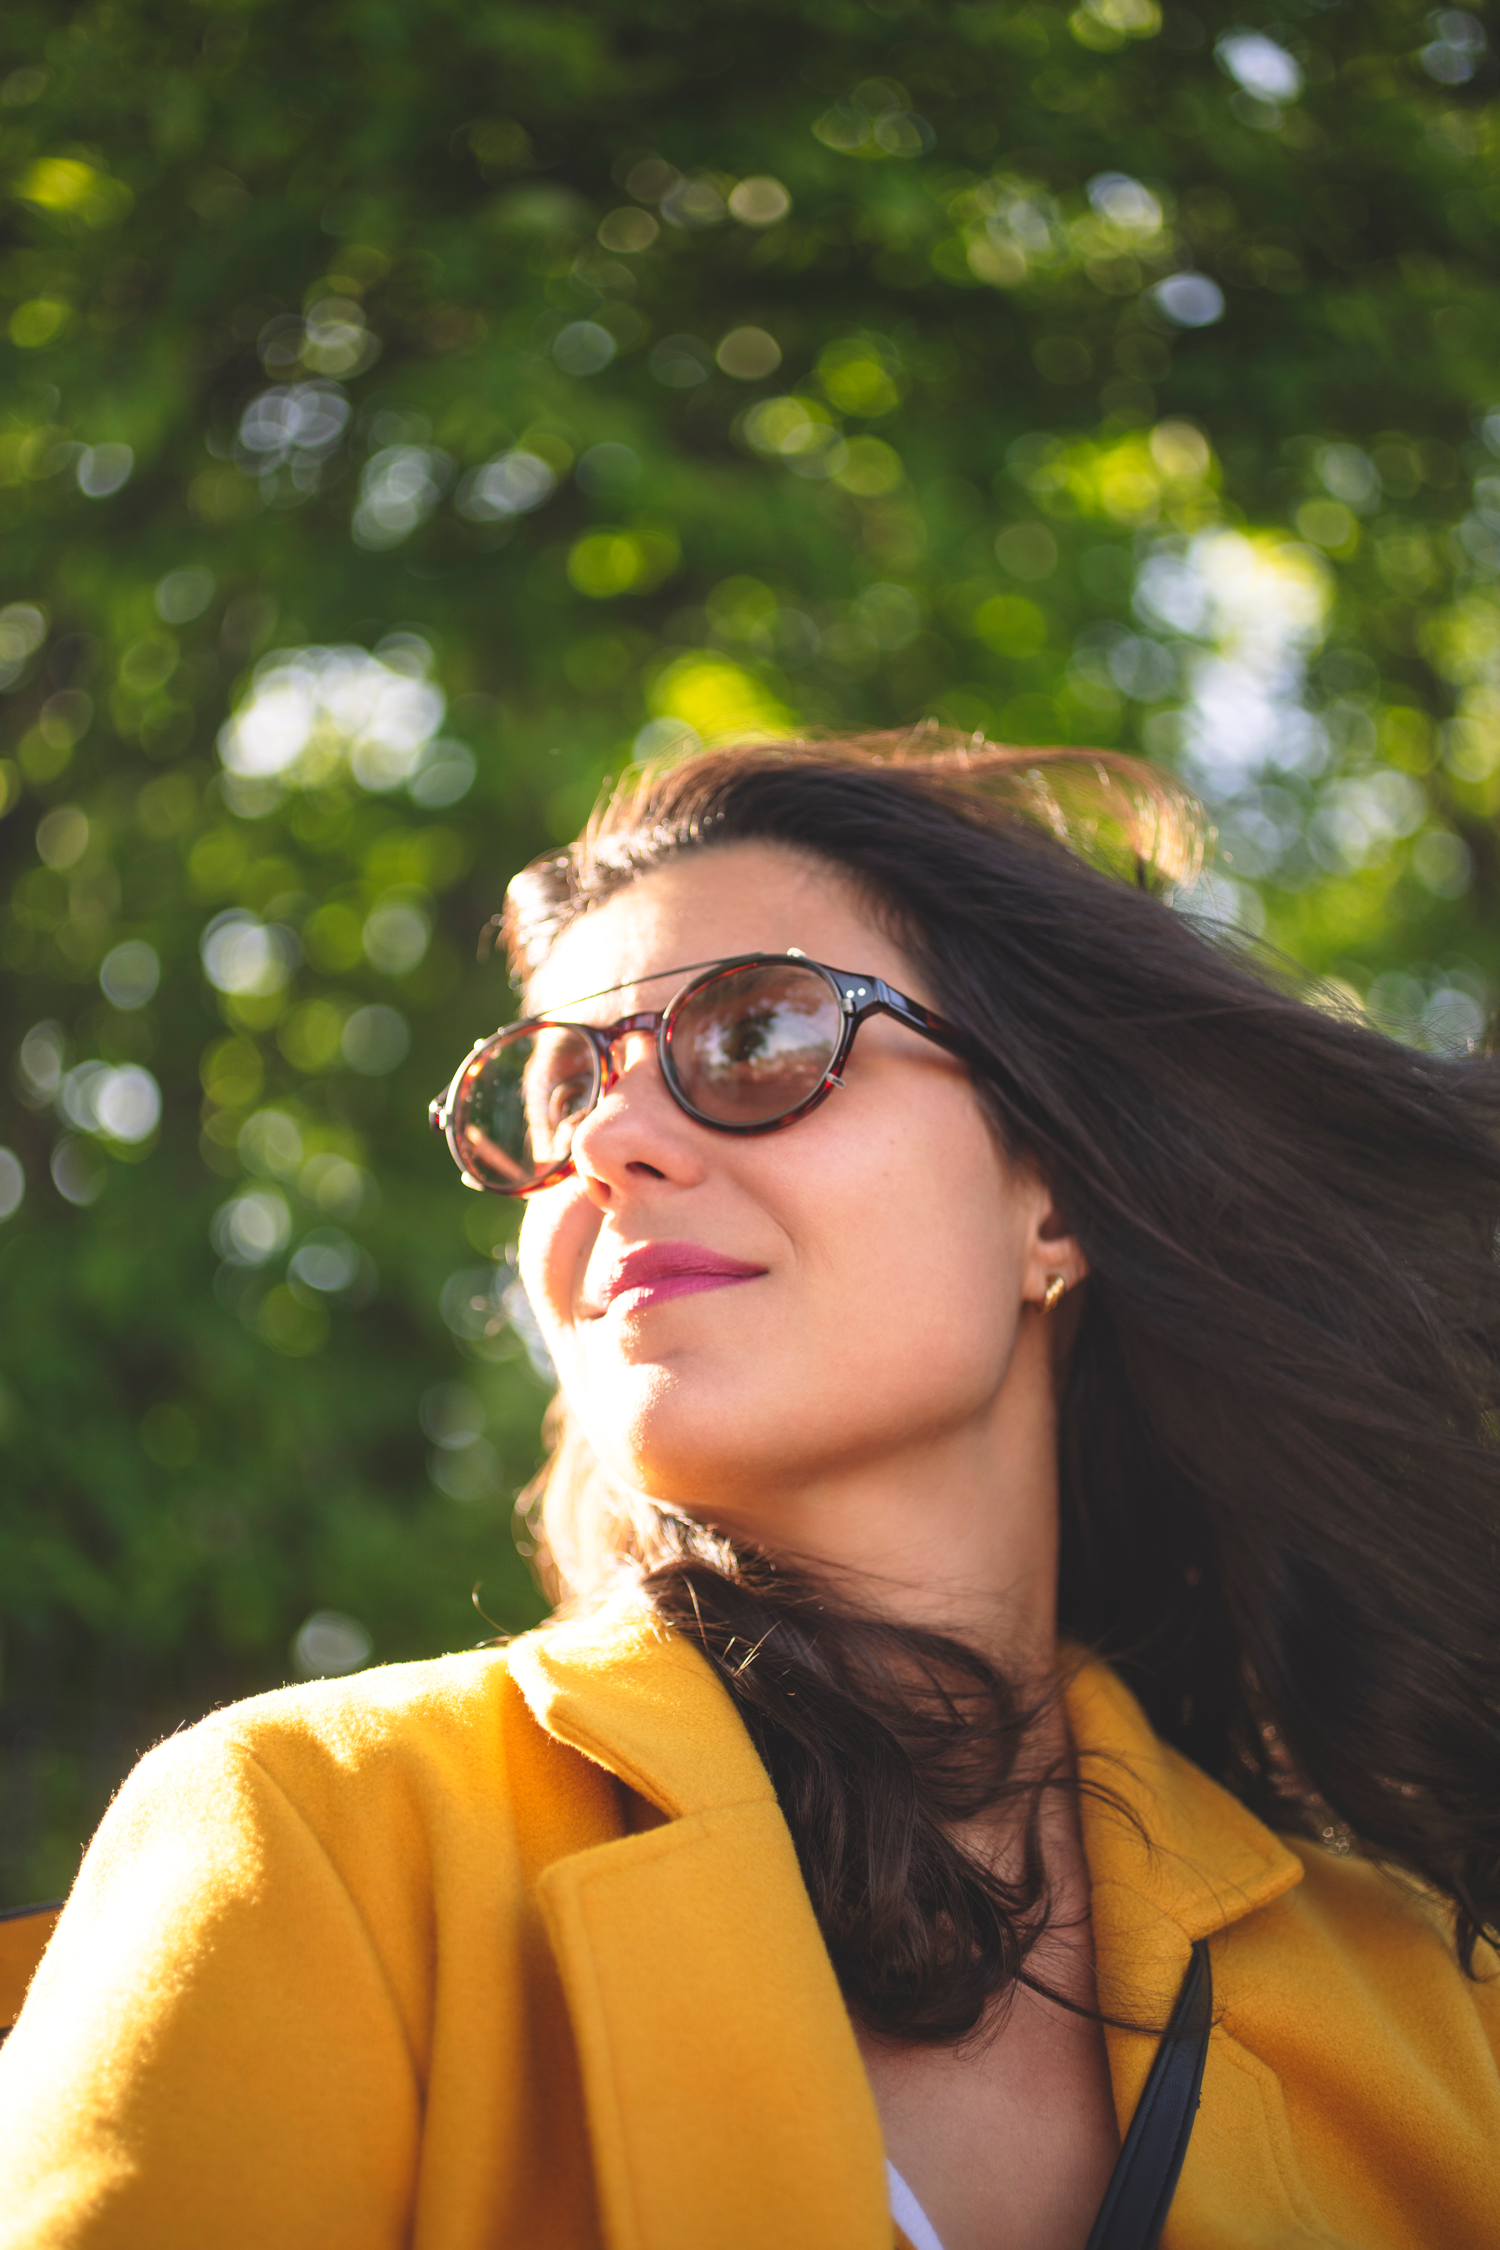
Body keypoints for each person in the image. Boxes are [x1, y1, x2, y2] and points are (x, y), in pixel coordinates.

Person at [3, 733, 1499, 2250]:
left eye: (756, 1038)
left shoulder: (1445, 2017)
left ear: (1052, 1188)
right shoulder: (313, 1835)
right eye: (563, 1082)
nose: (608, 1141)